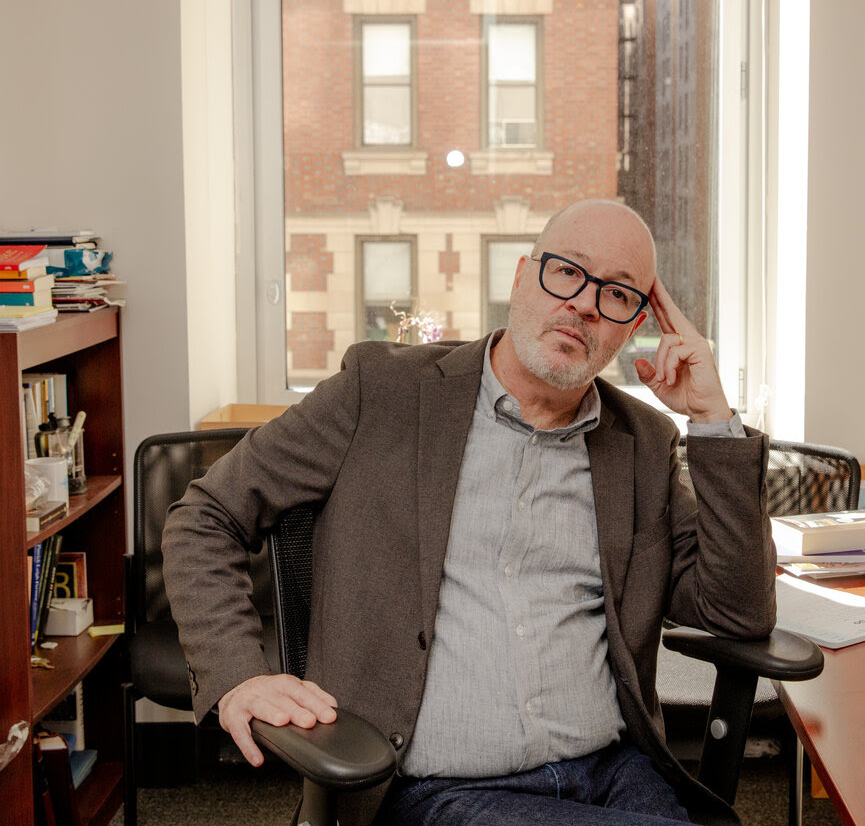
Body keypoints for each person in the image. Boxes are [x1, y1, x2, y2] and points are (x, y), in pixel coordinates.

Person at [163, 199, 776, 826]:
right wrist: (238, 674)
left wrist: (713, 421)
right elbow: (207, 515)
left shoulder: (643, 441)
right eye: (568, 272)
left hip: (616, 774)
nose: (587, 304)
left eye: (618, 294)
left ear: (633, 325)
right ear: (520, 276)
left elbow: (737, 611)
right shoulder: (381, 393)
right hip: (437, 792)